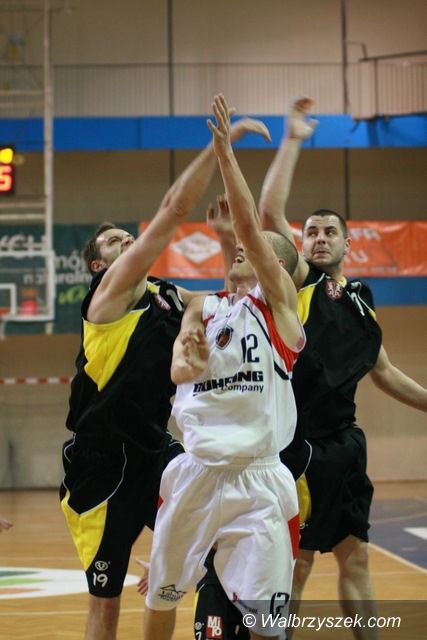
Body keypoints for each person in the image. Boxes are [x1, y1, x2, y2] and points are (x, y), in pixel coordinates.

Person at [193, 97, 427, 640]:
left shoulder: (360, 300)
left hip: (346, 446)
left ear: (348, 242)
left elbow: (385, 373)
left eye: (329, 232)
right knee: (293, 566)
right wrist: (294, 138)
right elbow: (269, 213)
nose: (319, 238)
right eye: (312, 232)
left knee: (356, 558)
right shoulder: (297, 283)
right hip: (298, 450)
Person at [59, 114, 271, 640]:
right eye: (114, 241)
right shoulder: (106, 299)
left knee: (206, 554)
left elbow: (230, 301)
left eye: (127, 236)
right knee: (105, 603)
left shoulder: (168, 295)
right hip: (101, 462)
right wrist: (221, 146)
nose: (127, 240)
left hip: (157, 449)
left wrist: (225, 239)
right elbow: (174, 208)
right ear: (98, 266)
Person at [143, 93, 306, 640]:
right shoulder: (205, 307)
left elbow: (250, 229)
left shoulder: (279, 310)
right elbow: (178, 373)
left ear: (277, 266)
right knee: (162, 596)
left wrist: (225, 153)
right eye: (235, 247)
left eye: (254, 248)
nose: (241, 248)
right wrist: (185, 354)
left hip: (258, 480)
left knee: (266, 624)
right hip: (195, 470)